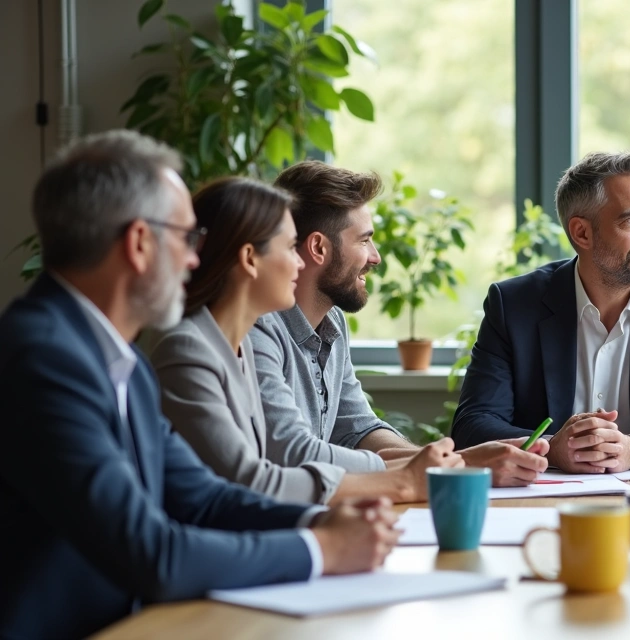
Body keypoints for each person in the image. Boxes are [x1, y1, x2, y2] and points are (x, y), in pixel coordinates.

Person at [0, 131, 398, 639]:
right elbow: (152, 551)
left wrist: (319, 525)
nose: (196, 260)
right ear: (140, 243)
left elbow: (204, 497)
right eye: (187, 238)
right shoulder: (44, 361)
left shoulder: (119, 360)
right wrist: (322, 550)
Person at [150, 177, 462, 505]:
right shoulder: (191, 349)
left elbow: (273, 472)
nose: (299, 262)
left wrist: (424, 468)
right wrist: (403, 479)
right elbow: (255, 479)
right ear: (249, 259)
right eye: (289, 247)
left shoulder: (236, 347)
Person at [253, 161, 548, 487]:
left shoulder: (332, 322)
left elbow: (357, 427)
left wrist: (440, 463)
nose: (376, 256)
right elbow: (292, 453)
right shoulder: (257, 327)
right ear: (319, 248)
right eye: (364, 241)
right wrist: (457, 466)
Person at [450, 149, 630, 472]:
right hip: (542, 499)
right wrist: (552, 447)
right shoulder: (514, 305)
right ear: (582, 233)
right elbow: (472, 425)